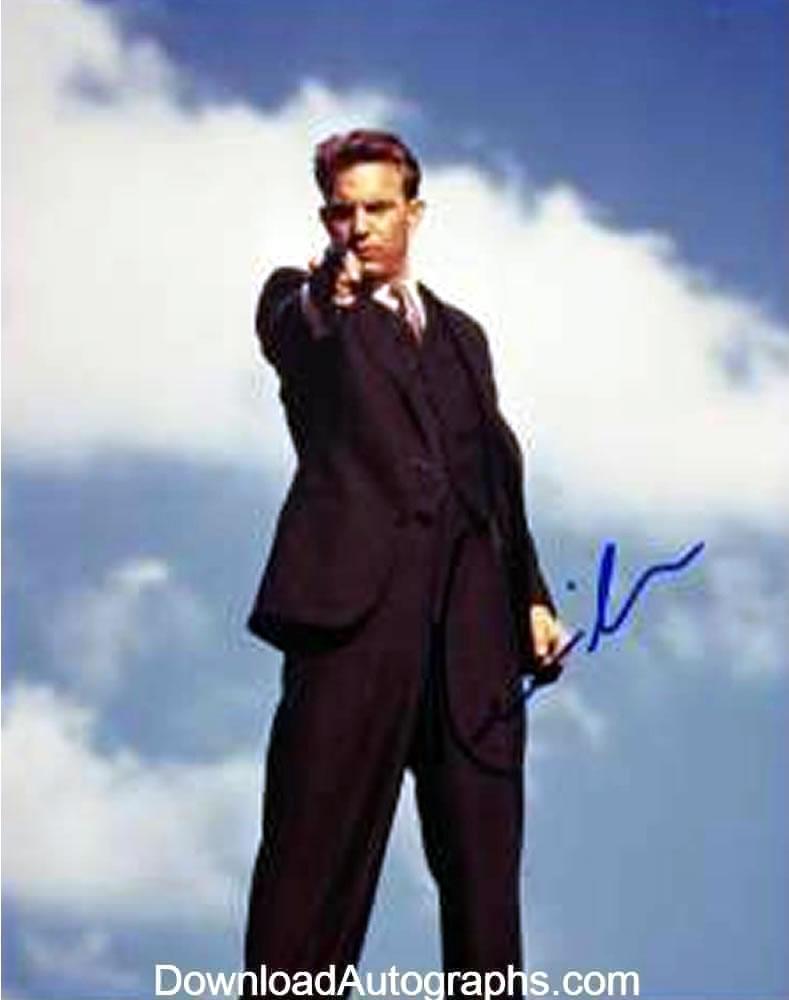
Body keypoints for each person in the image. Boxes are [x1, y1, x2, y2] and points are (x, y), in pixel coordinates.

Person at [243, 129, 564, 994]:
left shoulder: (463, 337)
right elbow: (297, 331)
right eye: (341, 212)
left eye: (377, 208)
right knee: (310, 867)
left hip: (471, 643)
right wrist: (329, 287)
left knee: (486, 887)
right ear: (325, 220)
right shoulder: (303, 304)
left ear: (413, 212)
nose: (359, 227)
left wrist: (530, 597)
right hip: (354, 625)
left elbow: (493, 471)